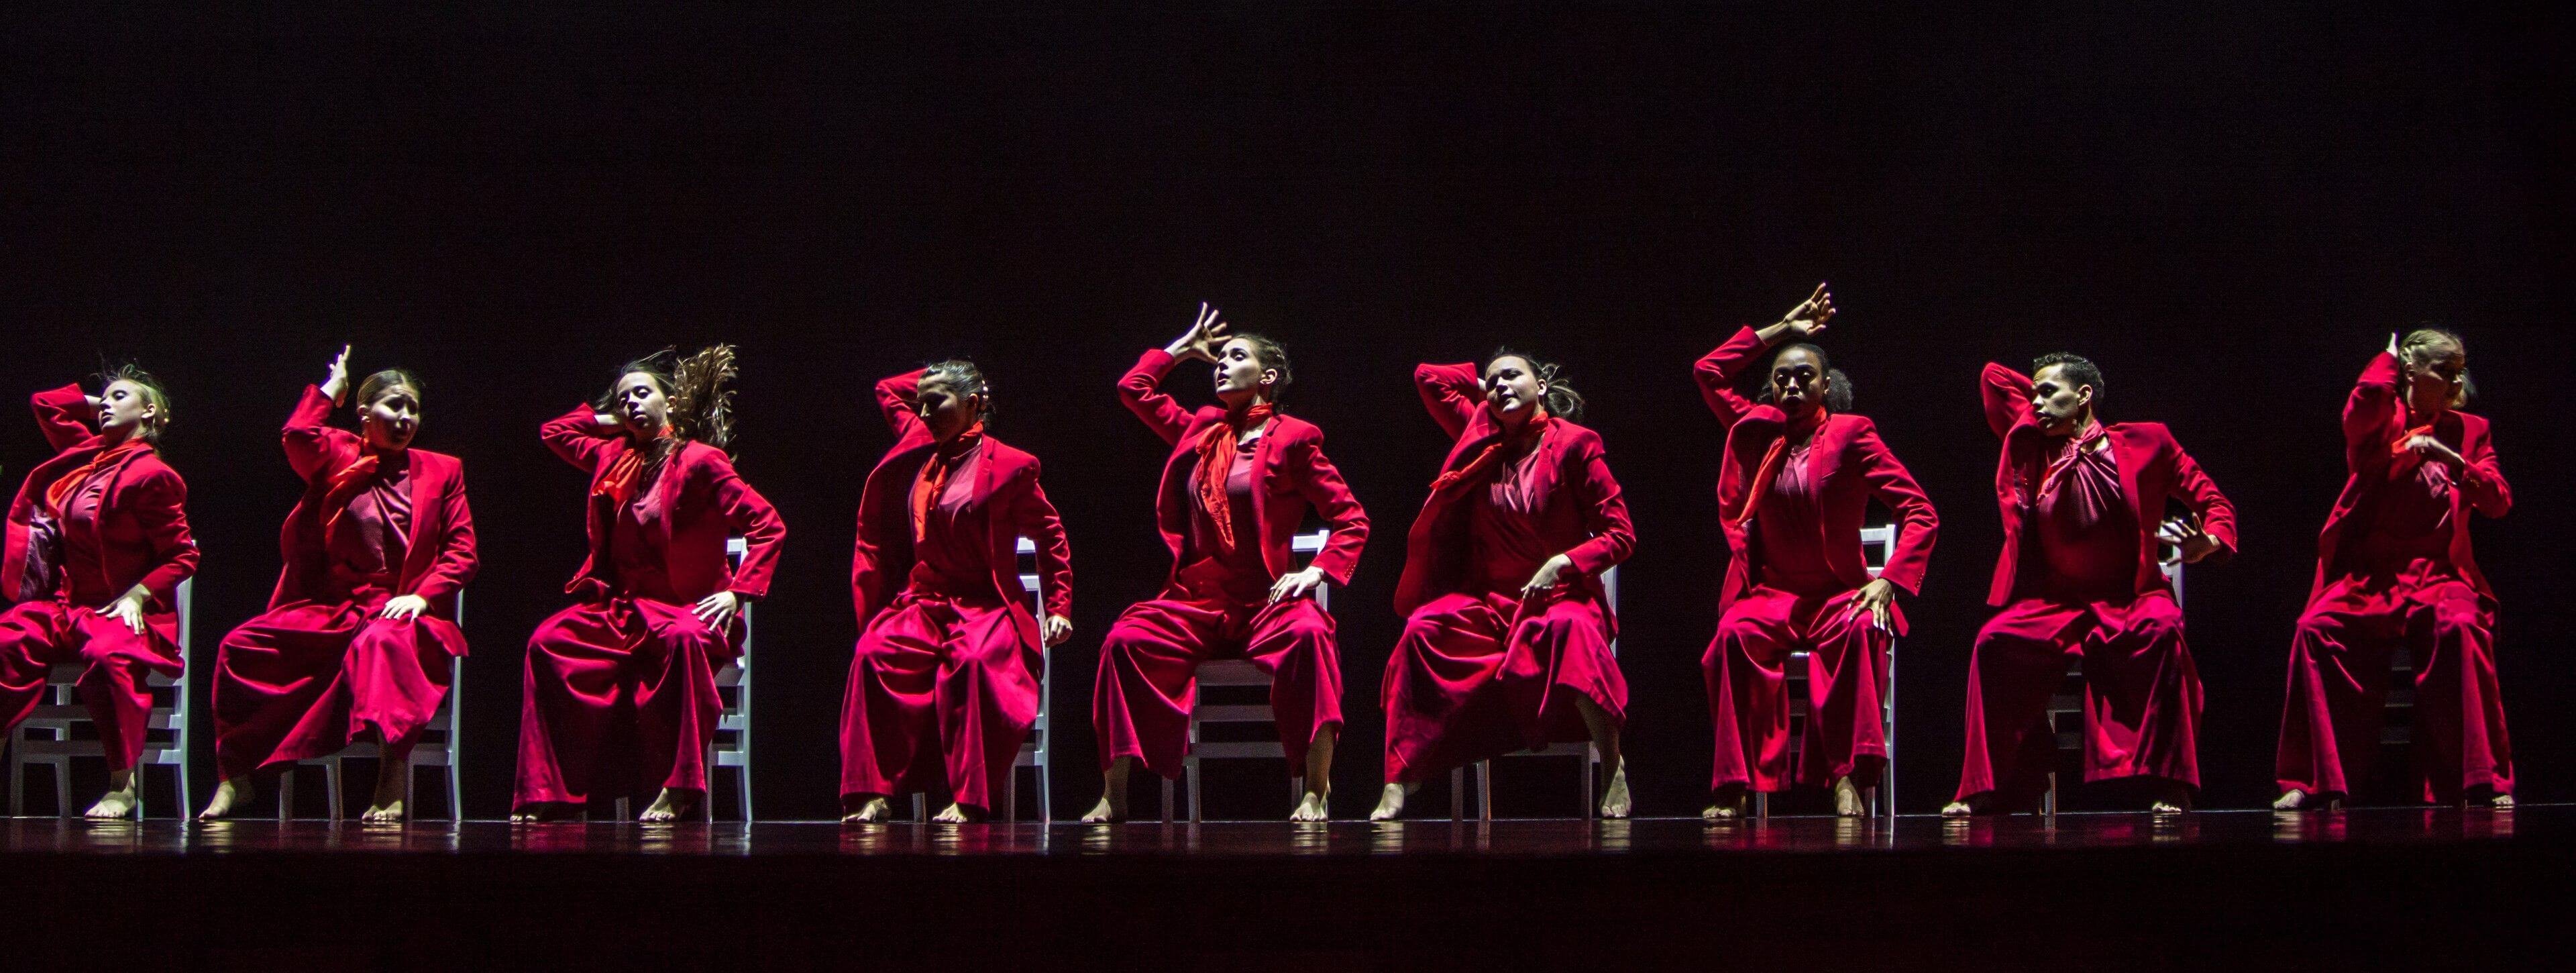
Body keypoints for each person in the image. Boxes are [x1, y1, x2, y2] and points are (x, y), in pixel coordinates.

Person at [1084, 304, 1368, 823]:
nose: (1220, 364)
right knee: (1124, 642)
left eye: (1236, 356)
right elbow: (1134, 389)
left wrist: (1316, 570)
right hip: (1197, 602)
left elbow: (1351, 518)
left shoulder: (1296, 438)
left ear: (1268, 377)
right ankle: (1115, 793)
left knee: (1312, 638)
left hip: (1266, 600)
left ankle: (1317, 789)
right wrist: (1179, 350)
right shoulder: (1201, 428)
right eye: (1220, 356)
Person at [1943, 351, 2234, 816]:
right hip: (2057, 601)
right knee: (1993, 643)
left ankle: (2171, 784)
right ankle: (1994, 786)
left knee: (2164, 633)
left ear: (2083, 396)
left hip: (2130, 596)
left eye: (2048, 393)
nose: (2036, 404)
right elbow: (1994, 378)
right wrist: (2044, 397)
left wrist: (2212, 541)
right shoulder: (2035, 445)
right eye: (2034, 394)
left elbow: (2214, 500)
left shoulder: (2147, 440)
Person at [204, 346, 478, 821]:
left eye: (413, 408)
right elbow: (297, 435)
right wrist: (329, 390)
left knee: (382, 642)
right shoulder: (337, 453)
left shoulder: (442, 469)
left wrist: (420, 596)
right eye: (395, 406)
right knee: (239, 646)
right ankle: (235, 778)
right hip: (335, 607)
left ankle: (390, 782)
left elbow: (462, 552)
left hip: (403, 611)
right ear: (365, 413)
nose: (406, 417)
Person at [1695, 285, 1937, 819]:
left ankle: (1845, 777)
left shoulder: (1853, 434)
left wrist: (1889, 579)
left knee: (1861, 631)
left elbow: (1920, 510)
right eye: (1782, 377)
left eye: (1805, 375)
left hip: (1838, 594)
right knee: (1733, 636)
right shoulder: (1755, 431)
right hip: (1774, 595)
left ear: (1827, 385)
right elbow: (1708, 372)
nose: (1792, 384)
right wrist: (1781, 329)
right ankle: (1736, 784)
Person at [514, 346, 785, 823]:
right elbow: (554, 432)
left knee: (683, 639)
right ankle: (551, 793)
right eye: (624, 401)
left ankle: (681, 786)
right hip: (624, 610)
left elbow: (767, 524)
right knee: (547, 642)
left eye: (643, 394)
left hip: (689, 609)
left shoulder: (701, 461)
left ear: (670, 402)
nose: (633, 404)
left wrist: (737, 592)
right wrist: (614, 421)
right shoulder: (613, 459)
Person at [1371, 348, 1634, 821]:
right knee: (1422, 629)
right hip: (1490, 606)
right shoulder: (1480, 438)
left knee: (1570, 629)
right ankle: (1399, 776)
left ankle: (1614, 766)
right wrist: (1484, 389)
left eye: (1514, 377)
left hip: (1561, 598)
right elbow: (1427, 376)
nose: (1500, 387)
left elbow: (1621, 535)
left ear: (1544, 388)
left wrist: (1564, 562)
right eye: (1492, 382)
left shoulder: (1576, 444)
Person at [2274, 329, 2514, 810]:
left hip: (2438, 574)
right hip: (2371, 576)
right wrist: (2385, 358)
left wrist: (2452, 458)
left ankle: (2480, 780)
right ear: (2410, 372)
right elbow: (2361, 405)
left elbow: (2498, 501)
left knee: (2462, 627)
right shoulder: (2379, 421)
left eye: (2459, 371)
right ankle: (2316, 781)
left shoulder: (2471, 429)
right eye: (2443, 370)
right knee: (2317, 629)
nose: (2455, 380)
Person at [840, 360, 1072, 824]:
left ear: (972, 405)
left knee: (972, 664)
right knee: (874, 653)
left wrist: (1060, 605)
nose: (923, 412)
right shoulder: (921, 441)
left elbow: (1051, 536)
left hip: (986, 604)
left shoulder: (1010, 465)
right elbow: (887, 388)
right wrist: (944, 373)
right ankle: (875, 793)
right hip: (924, 602)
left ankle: (968, 799)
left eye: (936, 402)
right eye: (920, 403)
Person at [0, 366, 199, 818]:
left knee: (110, 657)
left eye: (119, 396)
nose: (105, 404)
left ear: (150, 411)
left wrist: (137, 596)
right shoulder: (86, 455)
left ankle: (122, 785)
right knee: (6, 638)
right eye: (103, 398)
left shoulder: (153, 476)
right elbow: (45, 402)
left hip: (120, 612)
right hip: (68, 608)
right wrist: (104, 405)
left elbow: (183, 556)